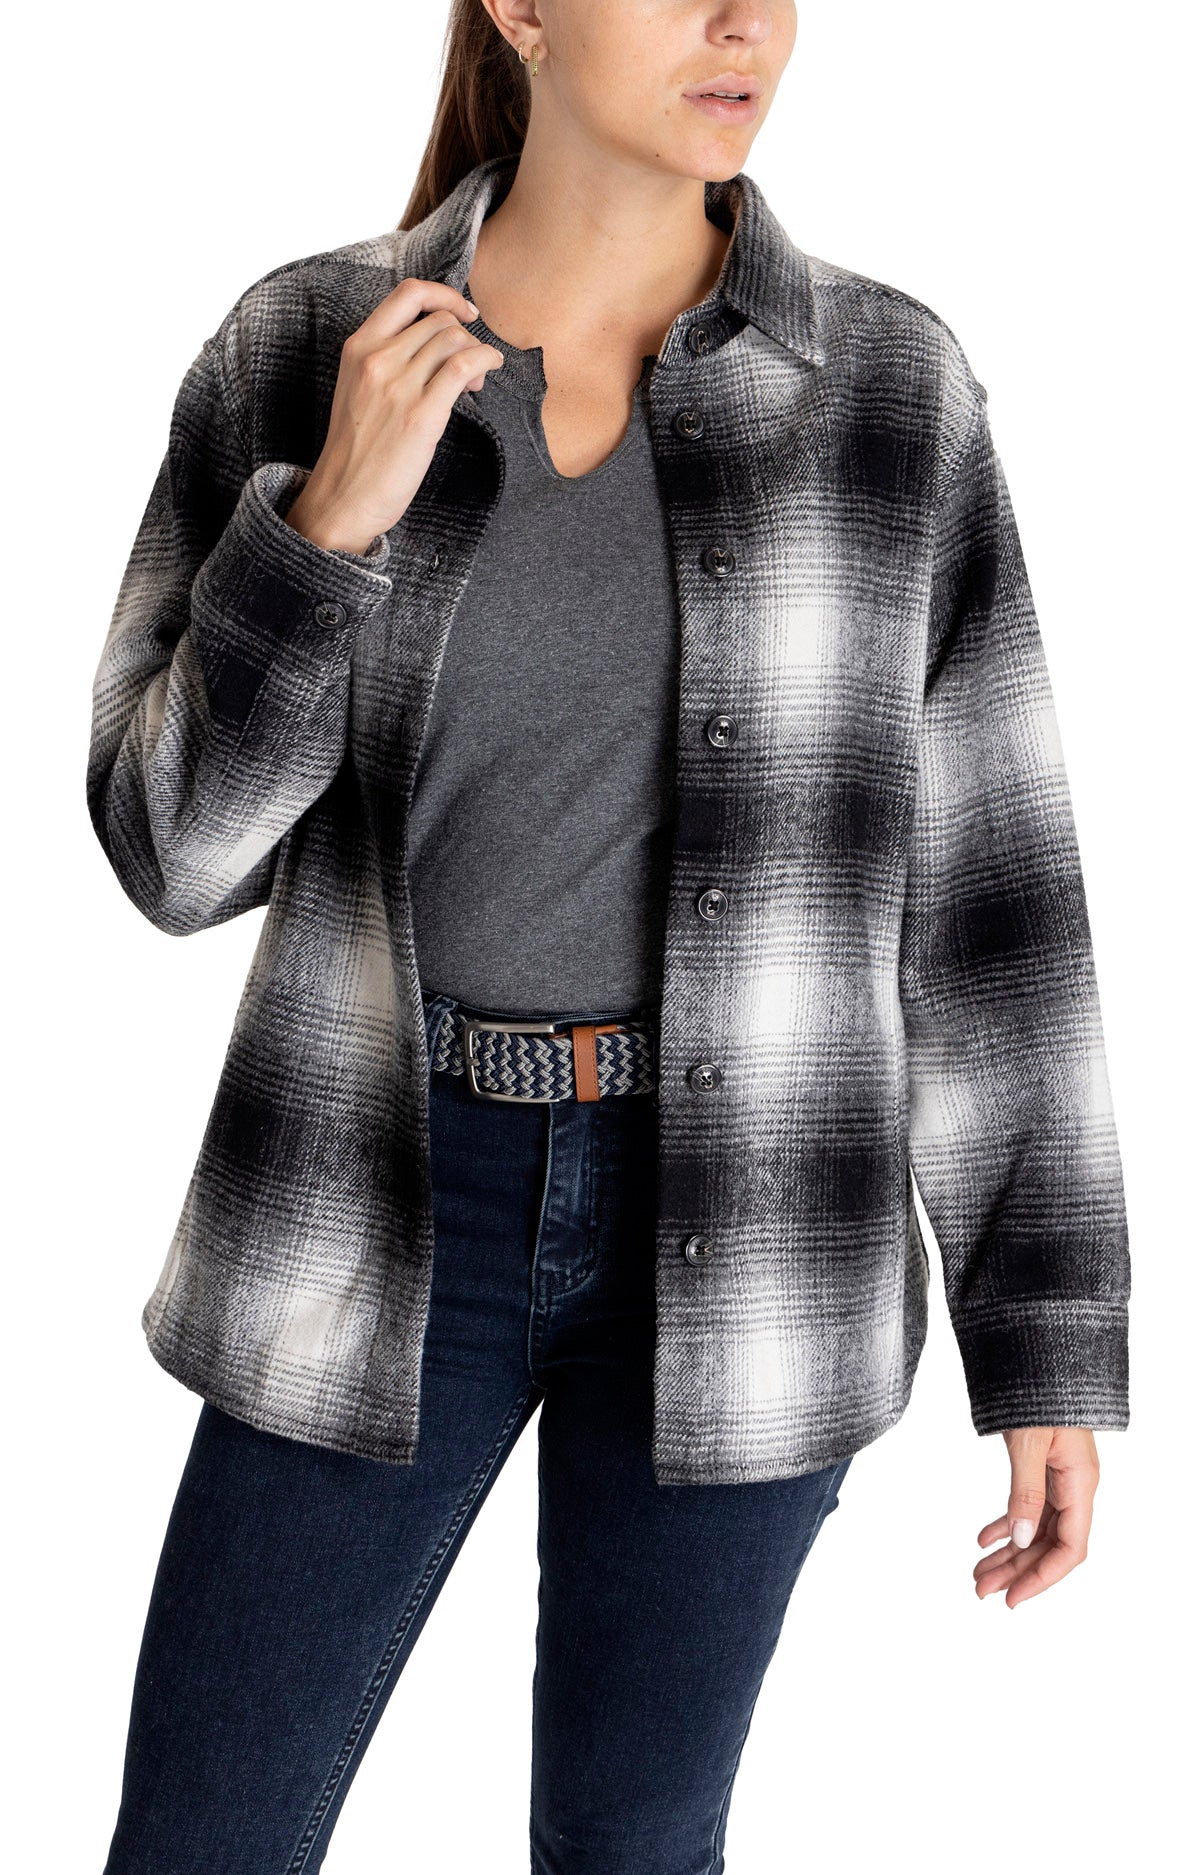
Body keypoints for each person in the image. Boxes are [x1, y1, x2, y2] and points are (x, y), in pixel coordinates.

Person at [86, 3, 1131, 1870]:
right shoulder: (302, 349)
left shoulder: (892, 392)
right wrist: (326, 526)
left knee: (636, 1853)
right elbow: (172, 858)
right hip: (371, 1196)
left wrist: (1044, 1335)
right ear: (522, 7)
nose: (741, 24)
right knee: (202, 1839)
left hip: (755, 1225)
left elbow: (995, 899)